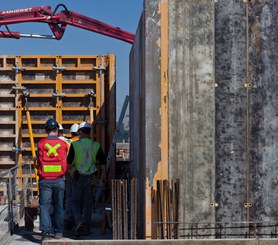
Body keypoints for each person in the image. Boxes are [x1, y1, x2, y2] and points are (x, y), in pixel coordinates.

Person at [67, 121, 106, 237]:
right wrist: (103, 177)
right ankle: (87, 229)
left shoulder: (75, 145)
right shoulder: (96, 145)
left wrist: (69, 174)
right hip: (91, 177)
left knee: (75, 202)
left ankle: (79, 221)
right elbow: (103, 162)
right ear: (89, 132)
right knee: (88, 204)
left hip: (78, 177)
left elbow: (69, 163)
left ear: (79, 132)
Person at [37, 118, 68, 241]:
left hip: (45, 180)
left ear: (46, 130)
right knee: (58, 206)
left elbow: (39, 160)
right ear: (56, 130)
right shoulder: (63, 144)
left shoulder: (41, 144)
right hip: (59, 179)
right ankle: (58, 232)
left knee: (44, 206)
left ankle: (45, 233)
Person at [64, 123, 79, 229]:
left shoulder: (67, 143)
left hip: (70, 172)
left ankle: (69, 215)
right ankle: (78, 216)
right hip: (82, 172)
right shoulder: (84, 142)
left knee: (69, 194)